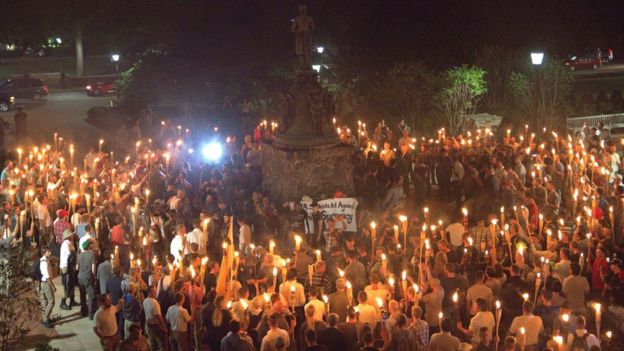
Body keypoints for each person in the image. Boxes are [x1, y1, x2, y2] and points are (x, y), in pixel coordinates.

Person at [143, 286, 168, 351]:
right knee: (162, 344)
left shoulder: (145, 301)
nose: (156, 292)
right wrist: (164, 327)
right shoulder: (155, 303)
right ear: (150, 292)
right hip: (156, 326)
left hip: (148, 325)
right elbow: (159, 317)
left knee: (152, 344)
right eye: (154, 291)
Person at [77, 240, 98, 319]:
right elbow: (93, 269)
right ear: (90, 246)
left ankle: (83, 311)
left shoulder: (79, 255)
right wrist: (95, 277)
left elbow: (77, 267)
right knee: (91, 295)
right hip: (88, 277)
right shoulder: (92, 255)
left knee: (82, 295)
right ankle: (91, 314)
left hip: (80, 277)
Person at [59, 229, 77, 310]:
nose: (73, 236)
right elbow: (70, 256)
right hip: (66, 267)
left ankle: (72, 300)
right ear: (69, 236)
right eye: (71, 235)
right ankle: (63, 302)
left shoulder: (69, 244)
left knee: (71, 284)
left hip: (69, 266)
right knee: (67, 285)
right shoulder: (66, 245)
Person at [39, 249, 56, 328]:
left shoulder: (43, 260)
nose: (50, 253)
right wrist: (53, 286)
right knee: (51, 301)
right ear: (44, 253)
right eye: (48, 252)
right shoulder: (44, 263)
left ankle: (46, 318)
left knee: (44, 301)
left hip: (42, 283)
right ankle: (45, 319)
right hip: (45, 283)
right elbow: (47, 276)